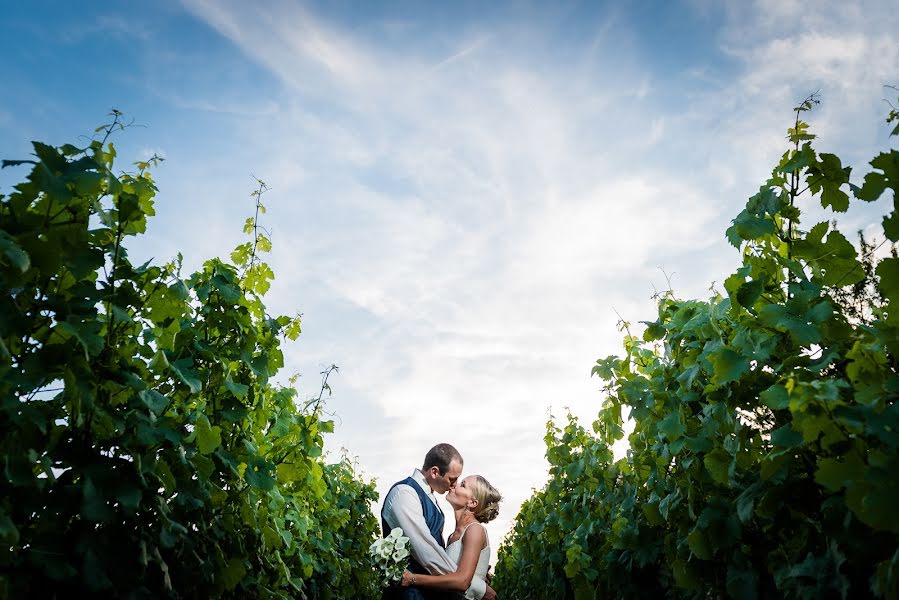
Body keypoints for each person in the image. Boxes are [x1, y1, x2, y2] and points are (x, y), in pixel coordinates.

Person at [381, 444, 497, 600]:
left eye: (461, 483)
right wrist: (476, 585)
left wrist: (472, 572)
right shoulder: (405, 493)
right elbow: (427, 552)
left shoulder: (432, 501)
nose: (454, 485)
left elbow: (440, 557)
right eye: (453, 479)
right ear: (435, 472)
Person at [400, 475, 502, 599]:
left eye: (463, 485)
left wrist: (413, 579)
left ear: (473, 503)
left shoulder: (474, 530)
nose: (454, 485)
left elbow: (462, 582)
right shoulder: (452, 536)